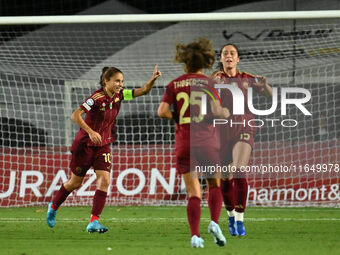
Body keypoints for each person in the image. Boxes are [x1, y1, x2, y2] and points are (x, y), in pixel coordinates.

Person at [47, 65, 161, 233]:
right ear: (106, 81)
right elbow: (75, 115)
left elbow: (143, 91)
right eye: (117, 81)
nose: (120, 84)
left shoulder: (119, 95)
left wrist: (152, 81)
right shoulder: (96, 98)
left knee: (105, 180)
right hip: (85, 145)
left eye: (122, 81)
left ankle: (94, 222)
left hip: (103, 144)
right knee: (75, 183)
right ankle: (54, 206)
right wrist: (91, 131)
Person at [158, 37, 229, 248]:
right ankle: (215, 222)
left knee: (193, 192)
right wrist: (224, 112)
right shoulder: (209, 83)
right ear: (204, 62)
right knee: (214, 183)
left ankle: (195, 236)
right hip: (206, 141)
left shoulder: (175, 84)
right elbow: (218, 112)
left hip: (185, 143)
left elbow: (162, 112)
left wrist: (179, 118)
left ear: (185, 62)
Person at [212, 44, 272, 236]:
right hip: (221, 131)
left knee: (238, 170)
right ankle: (230, 214)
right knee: (225, 178)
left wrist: (265, 86)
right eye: (225, 54)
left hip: (245, 127)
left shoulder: (247, 78)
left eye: (232, 53)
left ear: (238, 59)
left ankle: (239, 219)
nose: (229, 56)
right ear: (221, 59)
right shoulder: (215, 79)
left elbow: (269, 94)